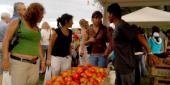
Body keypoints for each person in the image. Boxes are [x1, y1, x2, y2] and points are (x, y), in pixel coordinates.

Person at [107, 3, 153, 85]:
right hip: (120, 67)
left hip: (126, 68)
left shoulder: (122, 25)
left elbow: (139, 36)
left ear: (112, 14)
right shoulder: (118, 27)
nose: (107, 17)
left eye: (108, 14)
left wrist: (149, 53)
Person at [2, 3, 46, 85]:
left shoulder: (36, 27)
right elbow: (6, 40)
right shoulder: (17, 22)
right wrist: (5, 59)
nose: (42, 17)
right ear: (34, 14)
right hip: (19, 64)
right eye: (41, 15)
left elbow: (38, 44)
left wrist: (43, 61)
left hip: (34, 64)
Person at [0, 12, 10, 85]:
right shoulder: (6, 26)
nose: (9, 19)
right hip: (3, 45)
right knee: (4, 63)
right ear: (6, 18)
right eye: (9, 18)